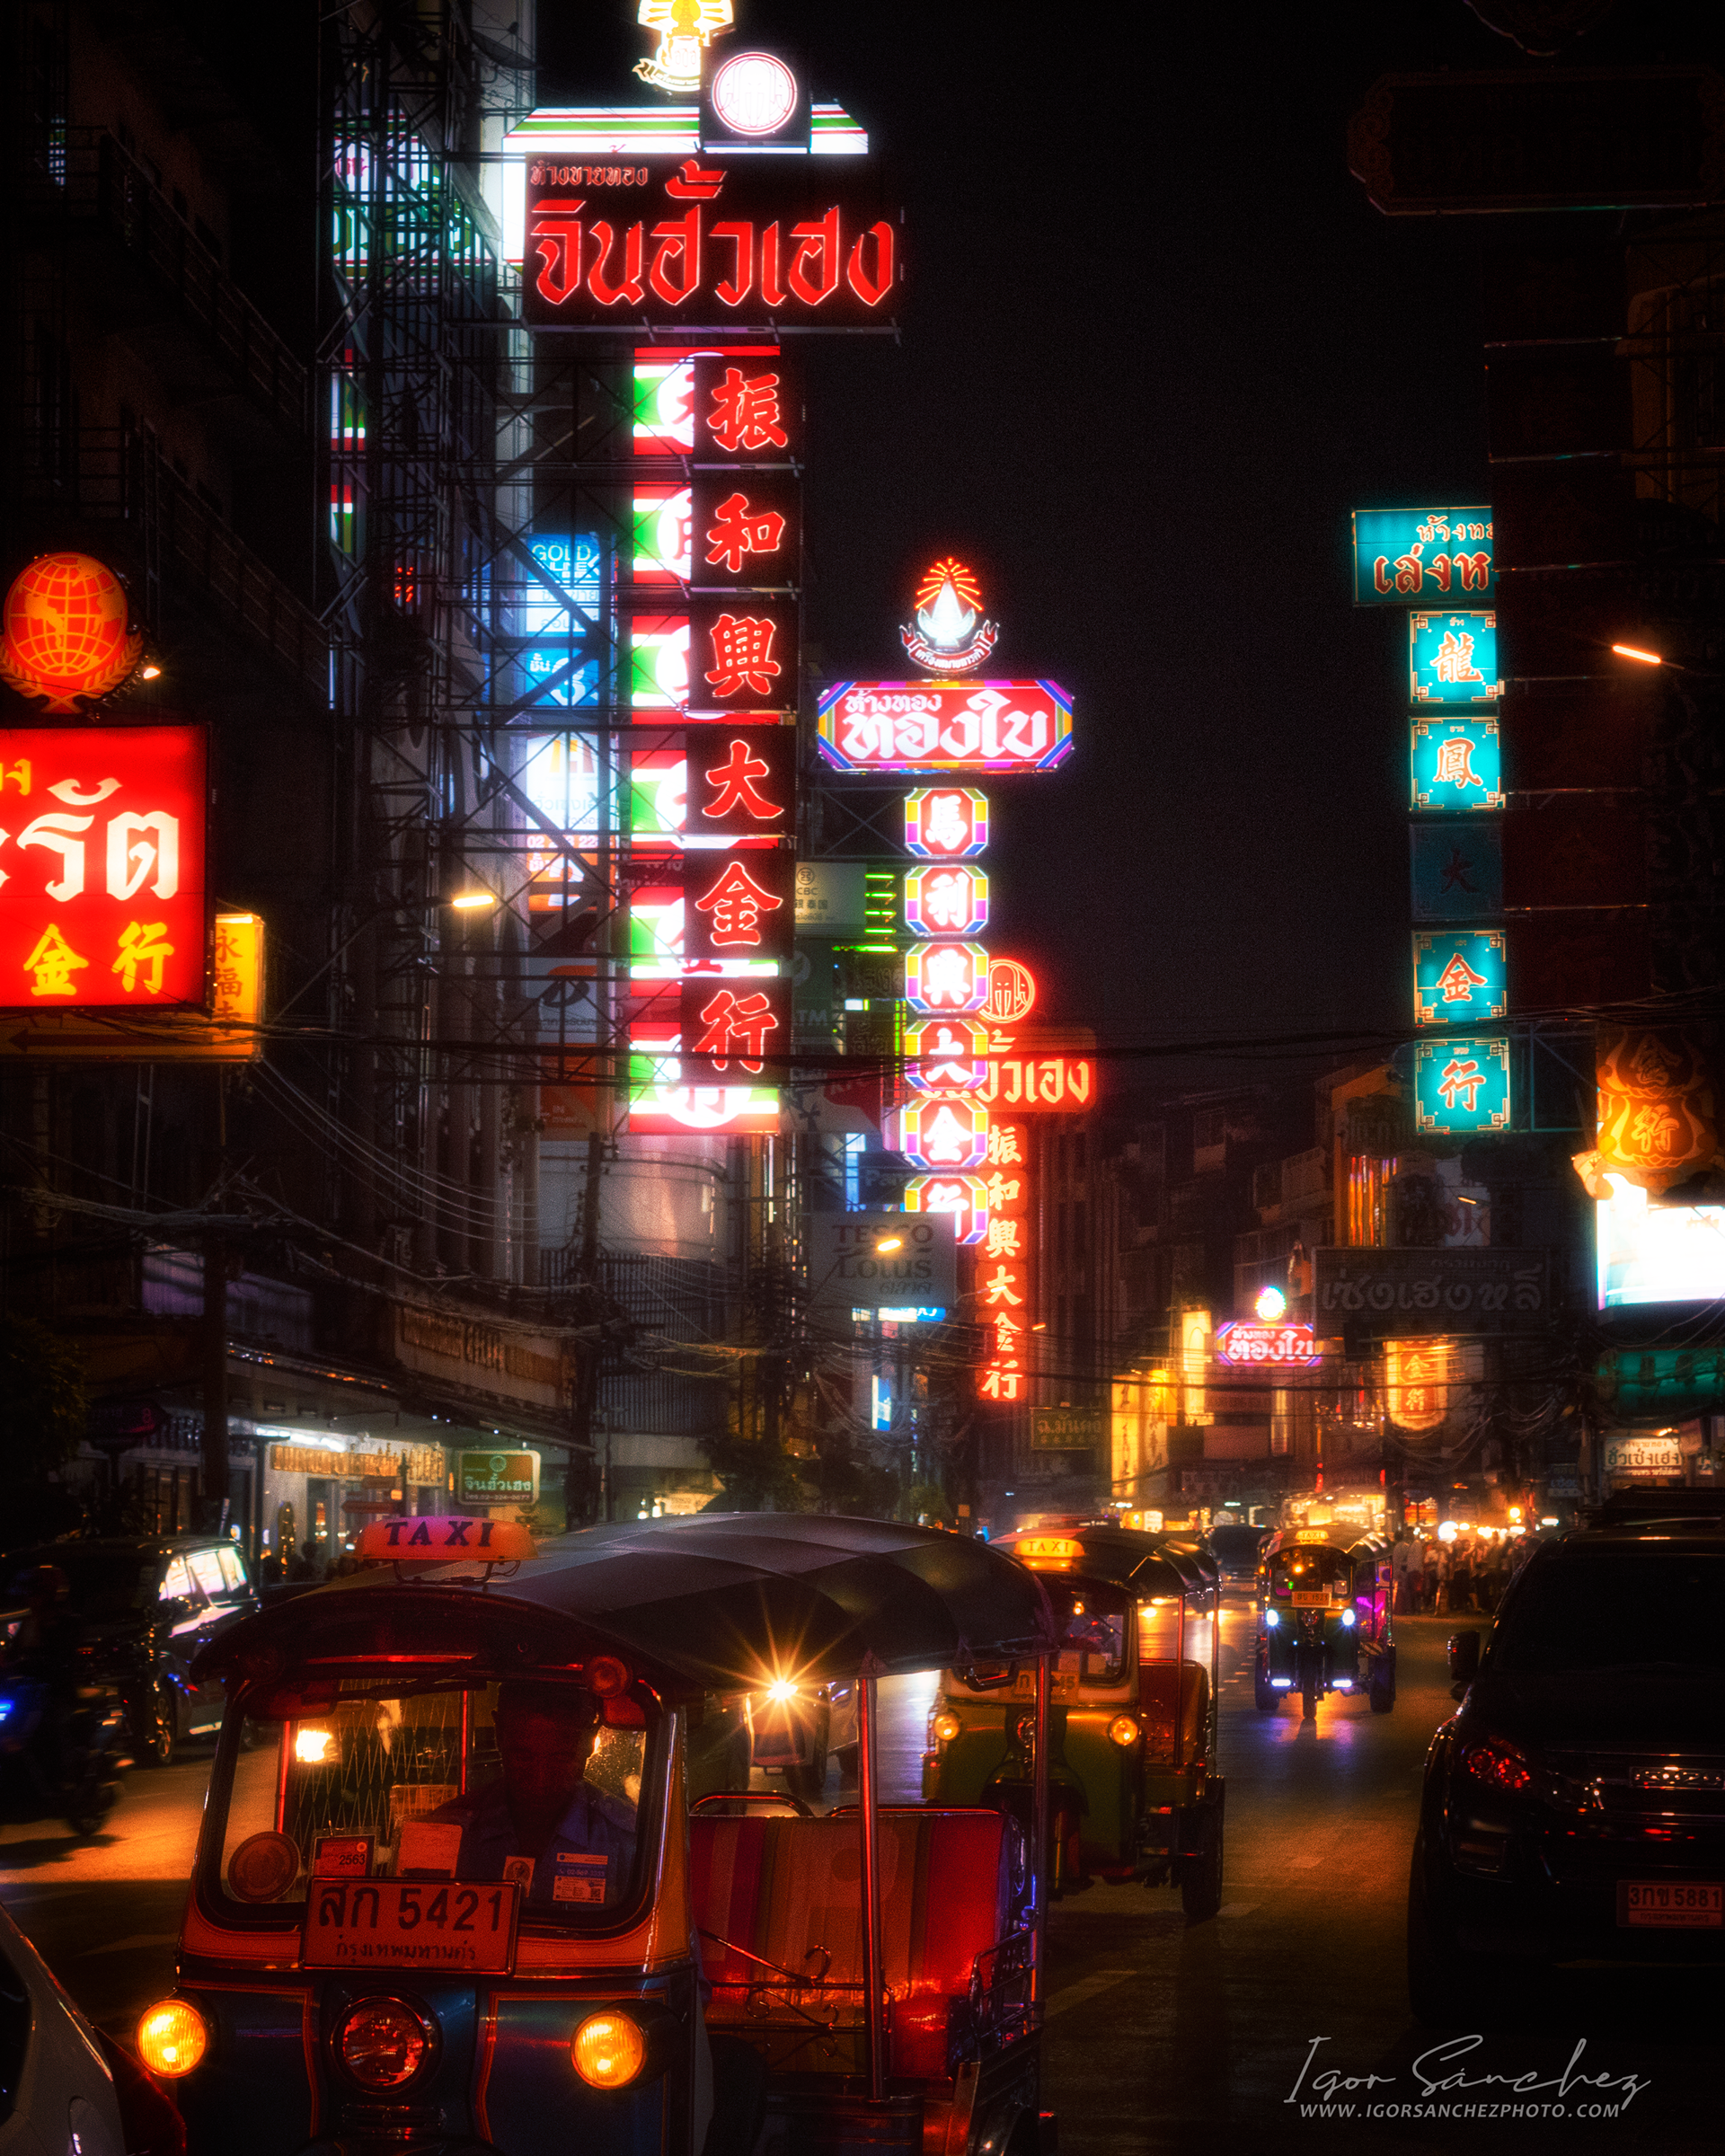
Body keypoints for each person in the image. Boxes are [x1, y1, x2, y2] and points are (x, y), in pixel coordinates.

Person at [429, 1683, 636, 1908]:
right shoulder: (448, 1831)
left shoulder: (626, 1838)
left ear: (591, 1741)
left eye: (561, 1759)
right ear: (498, 1733)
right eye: (522, 1757)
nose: (540, 1780)